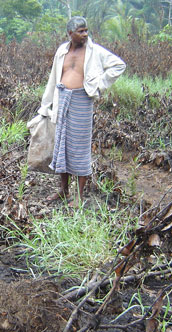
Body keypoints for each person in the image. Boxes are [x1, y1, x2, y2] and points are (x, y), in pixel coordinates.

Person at [38, 16, 126, 206]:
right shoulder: (62, 51)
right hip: (62, 99)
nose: (85, 34)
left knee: (79, 148)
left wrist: (98, 86)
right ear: (70, 33)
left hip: (82, 101)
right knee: (61, 146)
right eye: (81, 31)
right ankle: (63, 190)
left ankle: (78, 196)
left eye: (86, 30)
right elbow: (53, 79)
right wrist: (46, 106)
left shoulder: (95, 51)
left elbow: (119, 65)